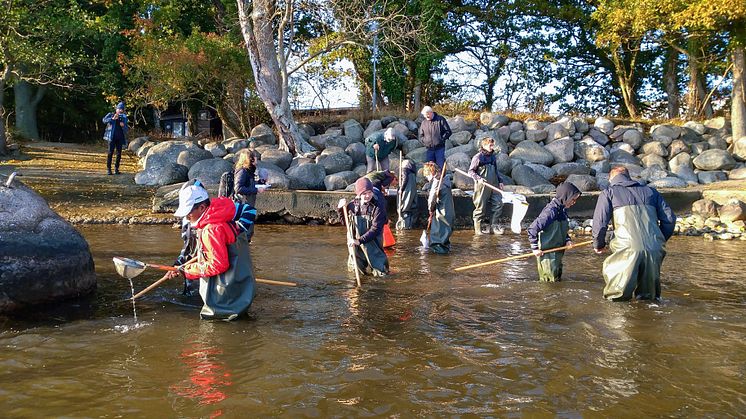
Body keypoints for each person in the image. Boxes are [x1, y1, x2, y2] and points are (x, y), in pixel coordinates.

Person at [165, 184, 257, 320]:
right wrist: (180, 266)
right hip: (241, 289)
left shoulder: (210, 230)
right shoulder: (221, 214)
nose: (186, 216)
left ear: (202, 207)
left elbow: (218, 265)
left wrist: (187, 271)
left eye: (189, 211)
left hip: (224, 300)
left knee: (214, 328)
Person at [592, 166, 676, 301]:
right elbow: (670, 219)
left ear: (611, 178)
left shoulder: (609, 192)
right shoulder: (651, 192)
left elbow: (600, 224)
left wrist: (598, 244)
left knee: (617, 299)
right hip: (654, 248)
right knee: (650, 300)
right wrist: (658, 240)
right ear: (628, 176)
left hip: (627, 249)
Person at [527, 182, 582, 282]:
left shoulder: (562, 210)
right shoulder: (550, 211)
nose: (574, 202)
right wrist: (535, 248)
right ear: (565, 196)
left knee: (556, 280)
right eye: (573, 199)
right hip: (547, 255)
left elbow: (562, 229)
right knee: (549, 283)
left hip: (558, 252)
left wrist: (567, 239)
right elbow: (532, 229)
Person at [337, 178, 389, 277]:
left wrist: (360, 240)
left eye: (370, 192)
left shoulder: (378, 207)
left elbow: (376, 229)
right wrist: (340, 209)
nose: (368, 195)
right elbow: (346, 223)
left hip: (373, 242)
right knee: (355, 271)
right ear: (358, 194)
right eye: (364, 193)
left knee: (381, 273)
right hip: (356, 244)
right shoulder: (352, 205)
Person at [468, 137, 508, 235]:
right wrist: (478, 178)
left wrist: (500, 181)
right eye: (490, 145)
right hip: (482, 185)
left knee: (498, 204)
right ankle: (478, 229)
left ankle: (493, 227)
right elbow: (471, 171)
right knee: (480, 207)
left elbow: (495, 170)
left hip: (494, 184)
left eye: (492, 145)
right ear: (484, 145)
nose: (492, 147)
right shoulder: (478, 157)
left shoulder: (493, 157)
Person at [423, 162, 454, 254]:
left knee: (438, 234)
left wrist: (431, 210)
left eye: (427, 176)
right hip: (449, 211)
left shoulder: (437, 182)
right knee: (445, 232)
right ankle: (445, 249)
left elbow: (432, 199)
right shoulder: (445, 180)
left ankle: (439, 252)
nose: (427, 178)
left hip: (441, 212)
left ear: (431, 173)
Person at [102, 102, 129, 175]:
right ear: (116, 109)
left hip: (120, 138)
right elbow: (104, 120)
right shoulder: (110, 114)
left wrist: (123, 125)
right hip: (111, 137)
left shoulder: (124, 117)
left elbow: (126, 129)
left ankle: (116, 169)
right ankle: (108, 169)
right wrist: (112, 118)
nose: (120, 110)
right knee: (110, 153)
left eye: (122, 109)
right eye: (119, 109)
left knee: (119, 154)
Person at [396, 159, 418, 230]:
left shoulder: (404, 170)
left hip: (406, 192)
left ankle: (404, 226)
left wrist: (401, 189)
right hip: (413, 194)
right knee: (411, 209)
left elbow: (405, 179)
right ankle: (410, 225)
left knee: (404, 209)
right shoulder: (413, 174)